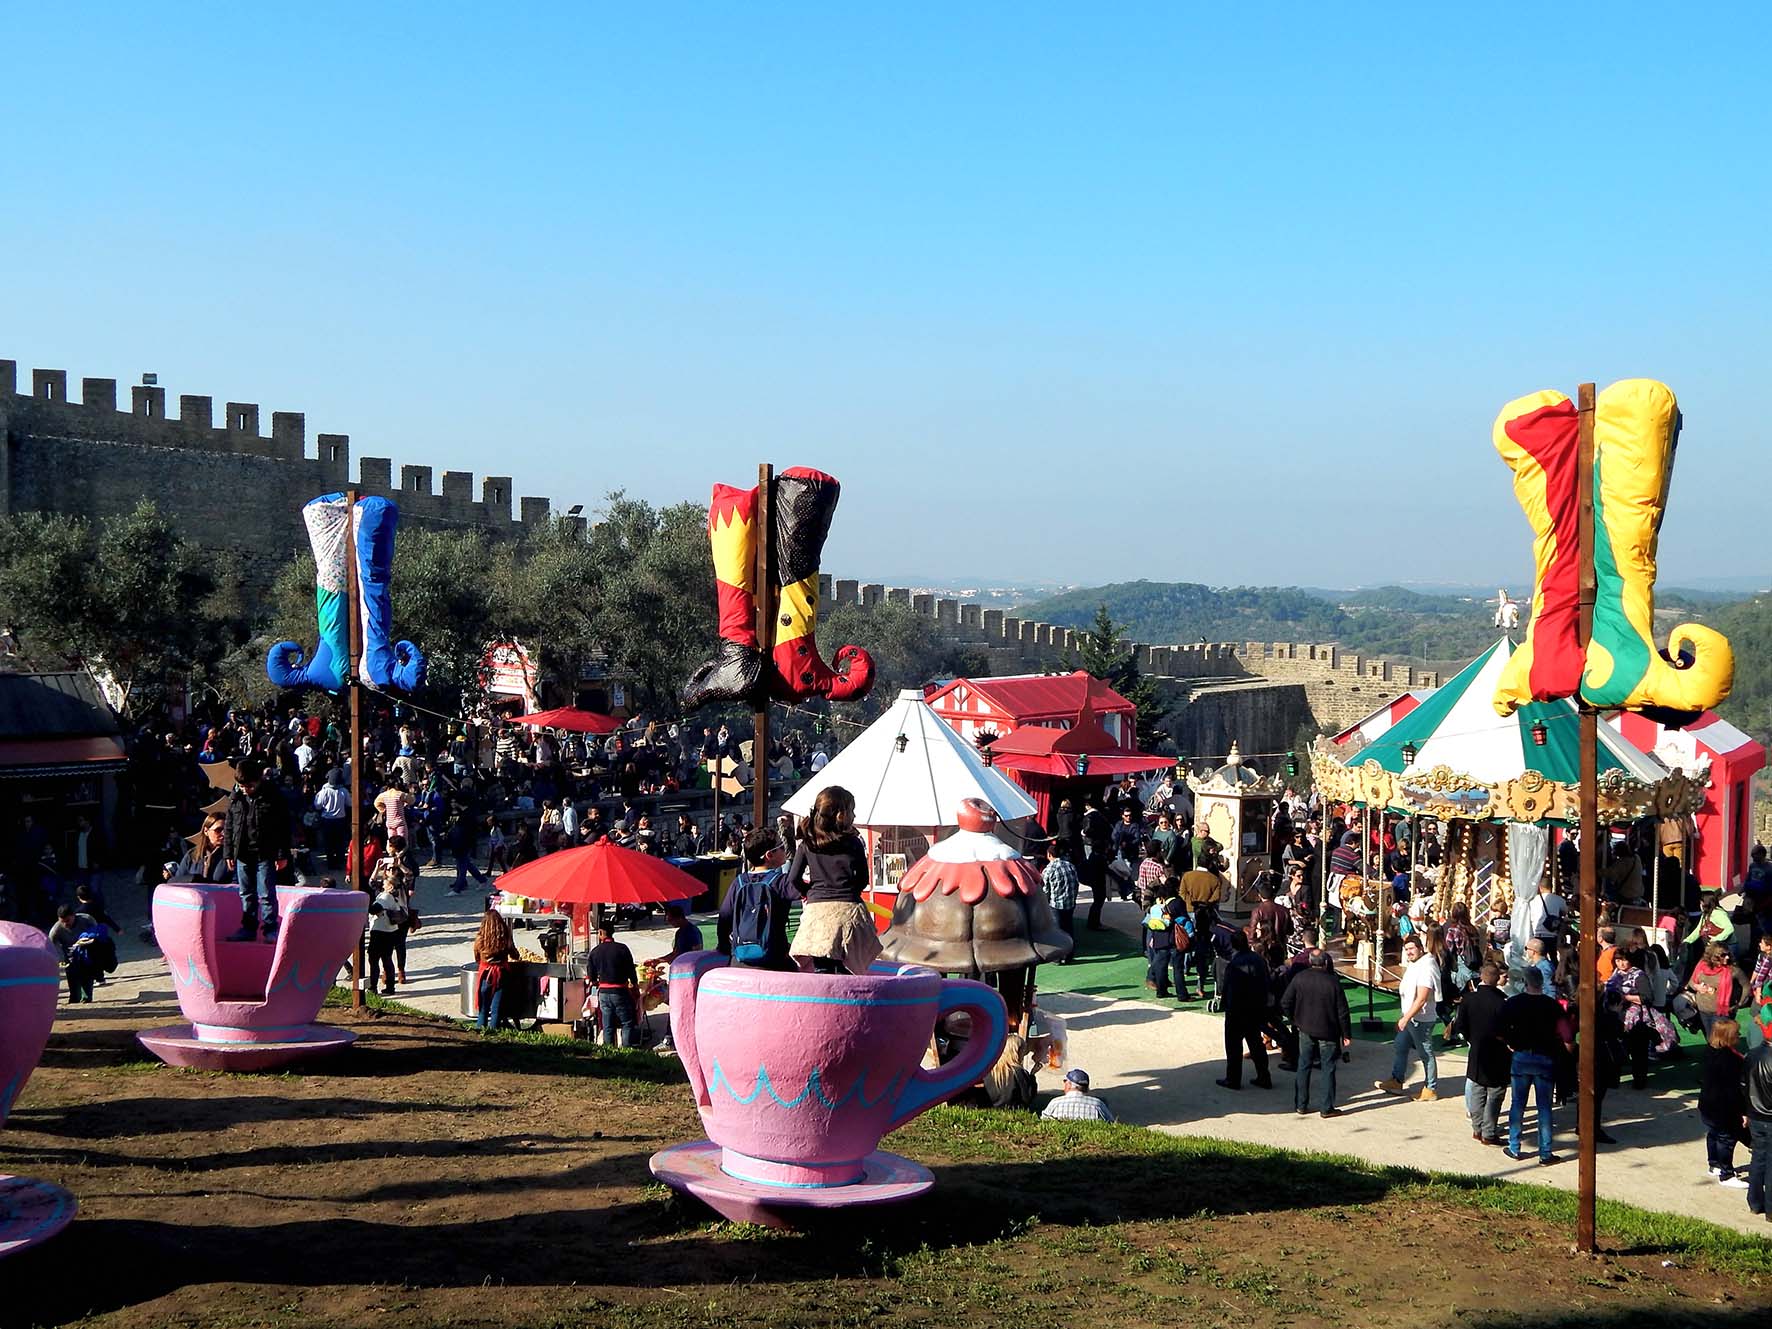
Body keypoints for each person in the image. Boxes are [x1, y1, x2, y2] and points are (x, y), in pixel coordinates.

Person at [786, 786, 880, 975]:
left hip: (817, 913)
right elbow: (863, 879)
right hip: (848, 910)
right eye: (852, 811)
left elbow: (793, 878)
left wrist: (808, 892)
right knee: (849, 969)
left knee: (822, 970)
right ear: (840, 814)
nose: (854, 816)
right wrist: (849, 890)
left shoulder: (808, 844)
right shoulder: (853, 842)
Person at [1500, 966, 1567, 1165]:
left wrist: (1510, 1043)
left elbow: (1501, 1028)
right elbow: (1566, 1033)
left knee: (1518, 1104)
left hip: (1521, 1056)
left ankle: (1514, 1146)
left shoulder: (1513, 1003)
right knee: (1545, 1107)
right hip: (1545, 1058)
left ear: (1525, 982)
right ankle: (1545, 1152)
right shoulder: (1552, 1005)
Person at [223, 757, 290, 943]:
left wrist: (282, 854)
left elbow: (283, 827)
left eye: (250, 786)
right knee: (245, 892)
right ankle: (248, 927)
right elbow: (229, 825)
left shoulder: (273, 795)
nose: (246, 789)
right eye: (242, 786)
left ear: (259, 780)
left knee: (266, 893)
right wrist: (228, 852)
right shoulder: (235, 797)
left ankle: (270, 928)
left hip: (265, 852)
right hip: (242, 852)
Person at [1281, 949, 1351, 1117]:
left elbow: (1285, 1002)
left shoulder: (1300, 978)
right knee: (1328, 1068)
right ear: (1325, 962)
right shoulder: (1333, 982)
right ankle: (1326, 1107)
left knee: (1303, 1065)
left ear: (1310, 962)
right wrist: (1346, 1034)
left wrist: (1295, 1020)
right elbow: (1342, 1012)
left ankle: (1301, 1104)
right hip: (1328, 1031)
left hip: (1305, 1029)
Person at [1450, 962, 1511, 1145]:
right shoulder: (1502, 1002)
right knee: (1495, 1093)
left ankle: (1477, 1128)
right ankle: (1489, 1132)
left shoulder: (1468, 999)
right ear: (1495, 980)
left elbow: (1460, 1025)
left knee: (1477, 1089)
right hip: (1497, 1052)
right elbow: (1506, 1029)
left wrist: (1472, 1039)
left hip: (1477, 1050)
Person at [720, 830, 798, 968]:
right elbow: (809, 891)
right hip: (774, 959)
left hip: (740, 959)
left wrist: (723, 946)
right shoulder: (781, 882)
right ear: (769, 855)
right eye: (781, 846)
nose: (784, 849)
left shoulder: (739, 882)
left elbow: (725, 916)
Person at [1377, 934, 1441, 1102]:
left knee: (1425, 1052)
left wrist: (1405, 1019)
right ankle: (1396, 1080)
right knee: (1400, 1045)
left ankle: (1430, 1088)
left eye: (1412, 949)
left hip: (1420, 1019)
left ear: (1420, 948)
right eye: (1406, 950)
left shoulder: (1426, 967)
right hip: (1411, 1016)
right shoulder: (1417, 964)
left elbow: (1421, 998)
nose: (1409, 952)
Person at [1216, 930, 1272, 1090]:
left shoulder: (1235, 964)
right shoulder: (1258, 960)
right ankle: (1264, 1076)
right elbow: (1266, 982)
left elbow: (1228, 988)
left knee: (1233, 1046)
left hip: (1238, 1010)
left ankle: (1233, 1079)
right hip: (1255, 1008)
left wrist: (1227, 1005)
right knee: (1256, 1043)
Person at [1698, 1019, 1751, 1187]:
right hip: (1723, 1108)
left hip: (1707, 1104)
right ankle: (1726, 1174)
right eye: (1736, 1033)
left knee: (1713, 1134)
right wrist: (1743, 1112)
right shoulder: (1731, 1060)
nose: (1739, 1035)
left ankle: (1714, 1165)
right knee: (1726, 1139)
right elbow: (1733, 1091)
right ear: (1728, 1036)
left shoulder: (1709, 1050)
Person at [587, 921, 641, 1047]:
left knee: (607, 1025)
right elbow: (631, 970)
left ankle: (609, 1052)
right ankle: (627, 1051)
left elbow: (592, 978)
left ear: (600, 933)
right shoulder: (622, 948)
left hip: (604, 993)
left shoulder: (594, 952)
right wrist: (635, 985)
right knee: (627, 1023)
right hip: (620, 992)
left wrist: (595, 989)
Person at [472, 909, 519, 1034]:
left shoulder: (480, 938)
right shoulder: (505, 936)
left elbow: (476, 957)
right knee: (496, 1009)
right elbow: (515, 955)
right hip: (502, 974)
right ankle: (494, 1033)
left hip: (485, 974)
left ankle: (479, 1032)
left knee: (483, 1008)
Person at [46, 904, 104, 1003]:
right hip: (70, 957)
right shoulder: (56, 929)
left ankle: (86, 998)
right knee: (73, 981)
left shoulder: (87, 920)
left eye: (67, 920)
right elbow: (50, 945)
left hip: (86, 954)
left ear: (74, 915)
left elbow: (97, 934)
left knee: (86, 978)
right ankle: (74, 999)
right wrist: (57, 959)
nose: (65, 924)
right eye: (62, 921)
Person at [1142, 884, 1189, 1000]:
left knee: (1160, 966)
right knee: (1178, 969)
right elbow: (1185, 919)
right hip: (1174, 940)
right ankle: (1182, 995)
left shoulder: (1156, 907)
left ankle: (1161, 991)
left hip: (1159, 939)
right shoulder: (1178, 903)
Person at [366, 867, 407, 996]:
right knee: (387, 959)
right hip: (390, 931)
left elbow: (374, 909)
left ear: (389, 885)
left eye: (384, 881)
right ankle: (390, 986)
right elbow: (372, 883)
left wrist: (364, 903)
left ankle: (373, 987)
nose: (382, 882)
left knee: (373, 960)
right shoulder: (394, 896)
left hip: (380, 932)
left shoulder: (385, 897)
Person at [1685, 941, 1738, 1040]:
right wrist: (1697, 987)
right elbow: (1691, 982)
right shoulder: (1701, 965)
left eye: (1728, 955)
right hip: (1703, 1009)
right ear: (1714, 956)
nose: (1727, 958)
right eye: (1723, 955)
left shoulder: (1731, 970)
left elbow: (1746, 986)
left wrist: (1739, 1003)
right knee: (1709, 1039)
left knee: (1719, 1041)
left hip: (1720, 1012)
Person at [1746, 1037, 1772, 1222]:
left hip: (1755, 1114)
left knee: (1758, 1157)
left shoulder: (1751, 1054)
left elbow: (1743, 1085)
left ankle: (1755, 1202)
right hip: (1769, 1117)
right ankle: (1771, 1209)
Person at [1043, 842, 1079, 957]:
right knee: (1069, 928)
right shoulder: (1070, 865)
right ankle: (1070, 953)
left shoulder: (1048, 870)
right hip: (1070, 903)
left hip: (1056, 905)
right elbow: (1076, 884)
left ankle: (1059, 956)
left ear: (1049, 855)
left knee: (1057, 931)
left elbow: (1045, 890)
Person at [1039, 1068, 1116, 1122]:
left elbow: (1043, 1121)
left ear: (1069, 1085)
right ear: (1086, 1089)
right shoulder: (1098, 1104)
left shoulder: (1055, 1103)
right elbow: (1112, 1123)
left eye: (1065, 1081)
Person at [314, 769, 350, 868]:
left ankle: (330, 862)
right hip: (340, 820)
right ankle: (340, 861)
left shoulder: (324, 791)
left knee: (329, 842)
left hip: (327, 820)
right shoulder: (344, 791)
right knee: (340, 842)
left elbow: (317, 805)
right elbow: (349, 803)